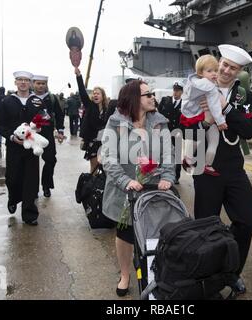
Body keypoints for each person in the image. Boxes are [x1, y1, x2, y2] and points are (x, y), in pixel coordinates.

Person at [193, 44, 252, 295]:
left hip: (233, 167)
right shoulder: (197, 89)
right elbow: (183, 128)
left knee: (247, 218)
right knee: (205, 226)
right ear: (218, 62)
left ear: (240, 71)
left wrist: (227, 108)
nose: (227, 70)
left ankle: (231, 272)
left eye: (234, 68)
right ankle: (205, 276)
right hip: (205, 167)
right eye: (224, 65)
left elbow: (250, 131)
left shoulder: (244, 97)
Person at [101, 80, 175, 297]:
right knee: (125, 235)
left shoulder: (160, 122)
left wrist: (168, 176)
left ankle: (154, 275)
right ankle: (125, 275)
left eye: (152, 93)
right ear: (134, 99)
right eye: (147, 94)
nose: (153, 97)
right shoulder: (116, 123)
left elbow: (169, 154)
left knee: (154, 234)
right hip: (125, 192)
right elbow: (108, 157)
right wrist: (125, 181)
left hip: (154, 190)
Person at [0, 71, 44, 226]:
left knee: (31, 179)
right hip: (14, 146)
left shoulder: (36, 101)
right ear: (15, 82)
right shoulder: (7, 101)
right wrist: (11, 136)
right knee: (13, 177)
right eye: (20, 80)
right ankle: (13, 198)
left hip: (32, 146)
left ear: (30, 83)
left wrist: (40, 127)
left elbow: (44, 118)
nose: (23, 82)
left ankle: (30, 213)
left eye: (26, 80)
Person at [181, 54, 228, 176]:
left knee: (196, 138)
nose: (214, 74)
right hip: (204, 117)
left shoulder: (191, 82)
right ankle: (207, 164)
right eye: (210, 71)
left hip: (192, 116)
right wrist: (221, 121)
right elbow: (214, 105)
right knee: (213, 141)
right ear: (201, 73)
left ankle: (188, 158)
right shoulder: (211, 87)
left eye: (216, 70)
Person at [32, 75, 65, 198]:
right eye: (38, 83)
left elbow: (59, 115)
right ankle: (33, 188)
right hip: (33, 134)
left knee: (50, 160)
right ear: (33, 84)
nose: (40, 86)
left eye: (43, 83)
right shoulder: (29, 98)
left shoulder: (51, 98)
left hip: (47, 133)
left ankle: (46, 185)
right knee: (32, 162)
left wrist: (60, 131)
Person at [75, 66, 109, 173]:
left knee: (105, 168)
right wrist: (79, 76)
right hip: (92, 143)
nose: (95, 95)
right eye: (94, 93)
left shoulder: (107, 109)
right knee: (94, 168)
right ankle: (92, 187)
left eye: (98, 93)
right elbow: (82, 91)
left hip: (105, 143)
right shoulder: (89, 105)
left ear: (103, 96)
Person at [158, 82, 183, 184]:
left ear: (182, 92)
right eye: (174, 90)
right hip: (164, 132)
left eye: (178, 90)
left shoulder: (185, 104)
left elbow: (185, 120)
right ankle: (160, 174)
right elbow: (157, 114)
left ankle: (176, 176)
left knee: (177, 155)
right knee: (162, 153)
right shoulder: (165, 100)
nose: (175, 92)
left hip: (177, 133)